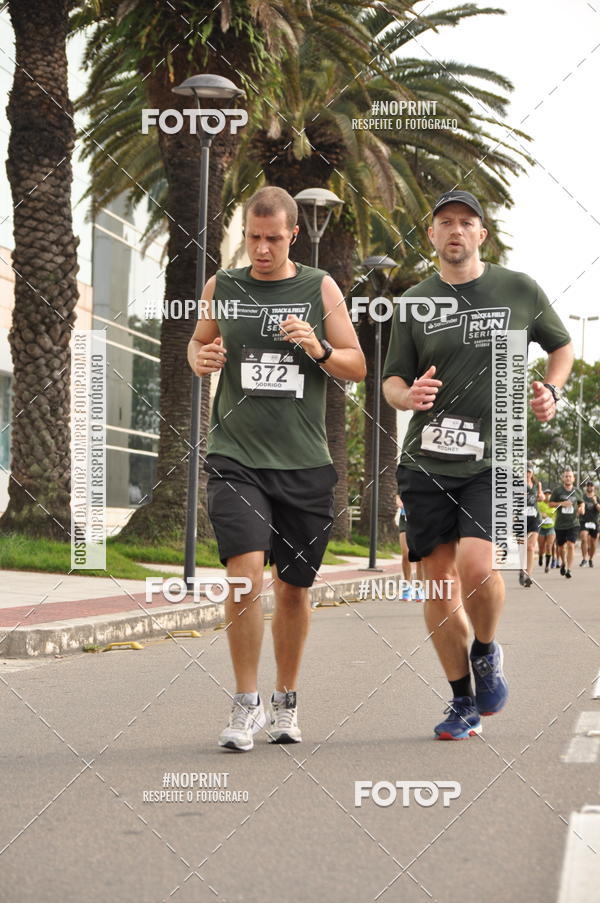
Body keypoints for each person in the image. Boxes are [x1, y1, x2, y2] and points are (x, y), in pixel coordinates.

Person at [382, 189, 573, 740]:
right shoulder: (414, 300)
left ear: (482, 235)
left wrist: (553, 392)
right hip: (426, 462)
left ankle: (486, 650)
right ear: (432, 234)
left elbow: (560, 349)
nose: (457, 231)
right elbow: (393, 378)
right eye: (446, 223)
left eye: (467, 223)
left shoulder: (518, 288)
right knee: (437, 584)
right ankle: (462, 700)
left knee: (476, 568)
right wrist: (406, 396)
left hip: (495, 456)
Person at [187, 186, 366, 751]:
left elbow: (356, 365)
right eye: (253, 237)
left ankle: (286, 699)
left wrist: (317, 348)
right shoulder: (224, 286)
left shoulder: (319, 287)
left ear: (292, 234)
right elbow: (197, 345)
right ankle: (246, 703)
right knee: (243, 572)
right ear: (245, 234)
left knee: (292, 589)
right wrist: (203, 359)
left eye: (272, 238)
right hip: (236, 456)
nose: (261, 249)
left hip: (304, 464)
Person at [549, 468, 585, 579]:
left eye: (570, 476)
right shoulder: (557, 491)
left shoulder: (577, 491)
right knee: (561, 548)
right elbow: (550, 504)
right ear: (563, 478)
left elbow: (581, 502)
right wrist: (561, 504)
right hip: (560, 524)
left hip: (573, 523)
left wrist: (581, 508)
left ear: (573, 479)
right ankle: (563, 562)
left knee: (571, 545)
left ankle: (569, 569)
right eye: (566, 476)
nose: (568, 478)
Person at [394, 494, 425, 600]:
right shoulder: (405, 477)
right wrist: (399, 501)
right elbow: (398, 494)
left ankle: (419, 588)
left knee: (419, 557)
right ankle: (407, 586)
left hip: (421, 519)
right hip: (405, 519)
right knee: (406, 554)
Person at [520, 463, 544, 587]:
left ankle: (529, 575)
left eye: (529, 471)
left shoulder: (537, 484)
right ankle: (522, 570)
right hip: (521, 518)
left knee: (531, 547)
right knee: (522, 547)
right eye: (525, 471)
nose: (527, 473)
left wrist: (540, 496)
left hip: (535, 517)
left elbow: (542, 497)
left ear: (532, 473)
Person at [579, 480, 600, 567]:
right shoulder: (582, 497)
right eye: (588, 485)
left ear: (594, 487)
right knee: (584, 538)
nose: (589, 487)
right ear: (586, 487)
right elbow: (579, 507)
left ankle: (590, 559)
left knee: (593, 543)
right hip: (584, 521)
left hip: (594, 522)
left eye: (591, 486)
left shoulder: (597, 498)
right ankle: (584, 559)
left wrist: (595, 502)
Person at [537, 489, 557, 572]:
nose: (547, 495)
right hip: (541, 528)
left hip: (551, 528)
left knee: (549, 546)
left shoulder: (554, 505)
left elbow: (558, 515)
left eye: (549, 494)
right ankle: (540, 556)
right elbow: (535, 511)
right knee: (541, 548)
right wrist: (541, 514)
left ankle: (547, 566)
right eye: (546, 494)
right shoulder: (539, 504)